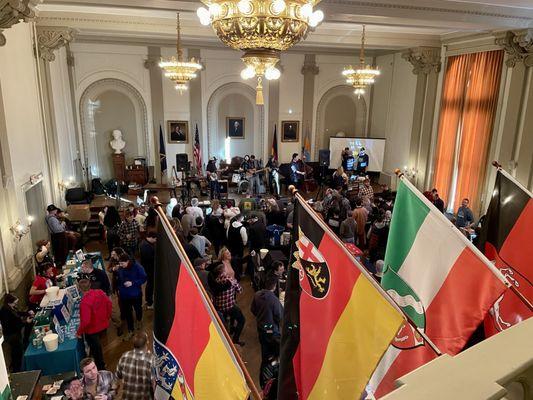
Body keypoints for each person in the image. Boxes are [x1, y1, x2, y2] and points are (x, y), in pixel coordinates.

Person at [251, 276, 283, 388]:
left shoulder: (257, 295)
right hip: (272, 331)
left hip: (261, 328)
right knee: (275, 354)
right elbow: (279, 316)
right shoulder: (274, 299)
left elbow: (253, 310)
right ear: (274, 286)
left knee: (265, 354)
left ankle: (263, 381)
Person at [77, 279, 112, 370]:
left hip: (92, 330)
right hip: (102, 325)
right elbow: (109, 303)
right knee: (97, 347)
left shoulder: (84, 302)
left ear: (80, 289)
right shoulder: (100, 292)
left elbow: (85, 321)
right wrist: (107, 317)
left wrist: (79, 332)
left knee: (96, 349)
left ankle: (100, 367)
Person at [209, 264, 245, 346]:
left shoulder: (216, 280)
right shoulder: (230, 279)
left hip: (219, 306)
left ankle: (231, 329)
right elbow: (240, 290)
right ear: (223, 271)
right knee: (242, 320)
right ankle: (235, 340)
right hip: (229, 306)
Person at [116, 332, 155, 400]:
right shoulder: (151, 360)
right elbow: (154, 384)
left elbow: (118, 376)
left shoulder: (124, 356)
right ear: (147, 342)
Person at [117, 253, 147, 340]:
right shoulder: (121, 267)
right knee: (127, 313)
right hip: (124, 295)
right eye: (120, 264)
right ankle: (130, 330)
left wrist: (133, 283)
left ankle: (139, 320)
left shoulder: (137, 267)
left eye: (122, 263)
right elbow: (119, 278)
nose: (120, 265)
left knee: (138, 309)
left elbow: (144, 278)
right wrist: (119, 288)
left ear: (128, 261)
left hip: (135, 294)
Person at [0, 293, 33, 372]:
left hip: (15, 334)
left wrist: (27, 313)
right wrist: (26, 322)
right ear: (9, 303)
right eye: (15, 303)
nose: (16, 304)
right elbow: (14, 326)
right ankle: (17, 369)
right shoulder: (6, 312)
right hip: (12, 336)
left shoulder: (10, 308)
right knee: (17, 352)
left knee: (16, 351)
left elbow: (18, 313)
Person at [226, 214, 248, 280]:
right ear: (241, 219)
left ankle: (233, 271)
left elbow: (227, 235)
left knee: (232, 259)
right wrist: (243, 245)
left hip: (231, 246)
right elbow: (245, 240)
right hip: (239, 248)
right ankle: (240, 273)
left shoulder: (230, 225)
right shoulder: (242, 228)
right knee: (239, 260)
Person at [140, 231, 157, 310]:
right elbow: (149, 258)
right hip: (149, 269)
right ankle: (149, 302)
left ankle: (148, 300)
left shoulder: (144, 243)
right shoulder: (146, 246)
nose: (155, 241)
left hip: (147, 268)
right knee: (150, 285)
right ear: (151, 238)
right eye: (155, 239)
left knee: (149, 285)